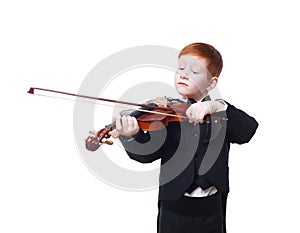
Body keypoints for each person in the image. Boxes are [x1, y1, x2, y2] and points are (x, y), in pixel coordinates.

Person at [116, 43, 258, 233]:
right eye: (181, 68)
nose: (183, 74)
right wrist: (132, 136)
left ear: (211, 83)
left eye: (194, 71)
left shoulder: (221, 114)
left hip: (212, 210)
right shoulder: (165, 114)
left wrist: (218, 106)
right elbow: (146, 155)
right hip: (174, 208)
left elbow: (248, 130)